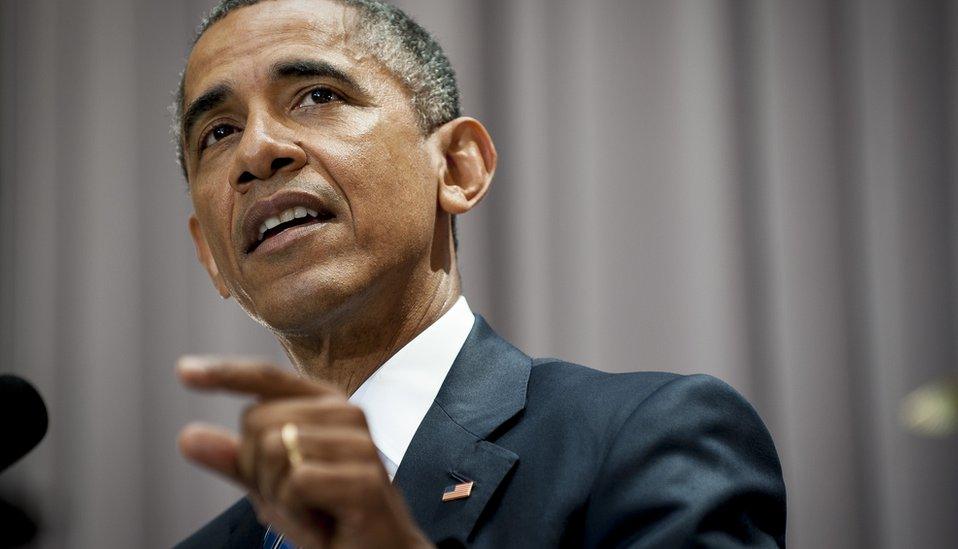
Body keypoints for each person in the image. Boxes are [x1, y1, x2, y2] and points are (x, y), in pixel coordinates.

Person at [172, 0, 787, 547]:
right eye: (218, 132)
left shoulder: (646, 441)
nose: (256, 151)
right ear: (210, 256)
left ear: (458, 169)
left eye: (317, 96)